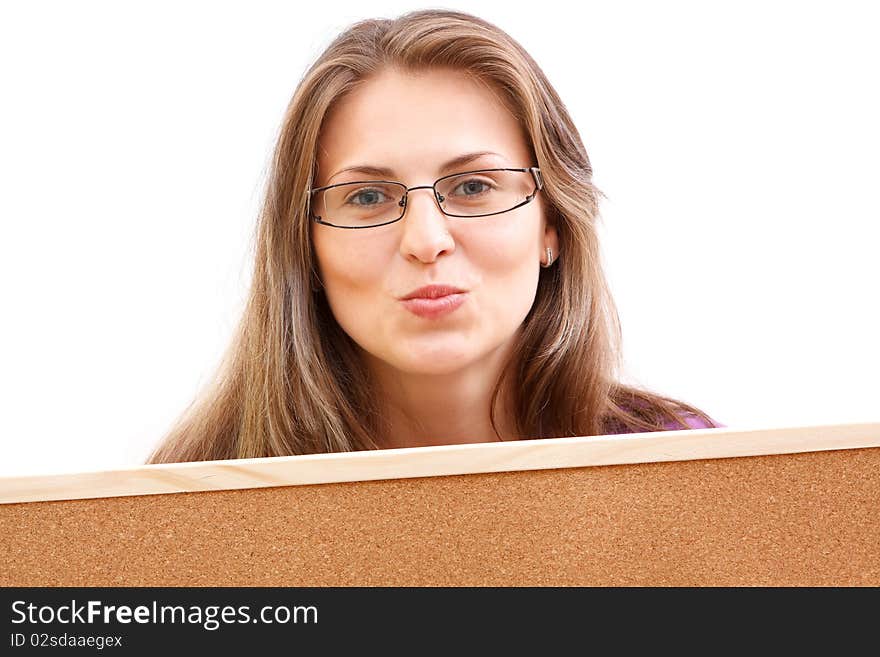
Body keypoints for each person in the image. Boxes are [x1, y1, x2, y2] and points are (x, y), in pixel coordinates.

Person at [146, 9, 721, 464]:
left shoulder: (697, 464)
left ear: (553, 225)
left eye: (473, 186)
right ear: (304, 249)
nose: (426, 240)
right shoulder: (184, 504)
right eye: (368, 197)